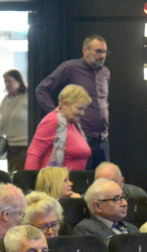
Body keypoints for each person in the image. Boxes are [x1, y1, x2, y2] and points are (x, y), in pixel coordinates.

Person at [35, 35, 110, 169]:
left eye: (104, 52)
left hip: (102, 139)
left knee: (103, 183)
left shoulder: (105, 72)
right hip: (80, 138)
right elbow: (42, 90)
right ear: (85, 51)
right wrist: (58, 116)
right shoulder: (70, 68)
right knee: (81, 183)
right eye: (98, 51)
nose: (102, 55)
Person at [25, 84, 91, 170]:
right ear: (64, 104)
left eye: (84, 109)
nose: (82, 113)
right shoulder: (53, 120)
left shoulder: (74, 125)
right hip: (55, 181)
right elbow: (34, 153)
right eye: (79, 108)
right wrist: (29, 181)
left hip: (72, 181)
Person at [73, 178, 139, 241]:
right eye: (117, 199)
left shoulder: (132, 228)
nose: (124, 203)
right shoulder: (86, 230)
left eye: (123, 197)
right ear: (97, 206)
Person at [0, 69, 29, 170]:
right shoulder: (6, 100)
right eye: (5, 82)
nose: (7, 84)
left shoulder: (27, 98)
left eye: (10, 81)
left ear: (18, 81)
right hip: (11, 147)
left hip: (25, 146)